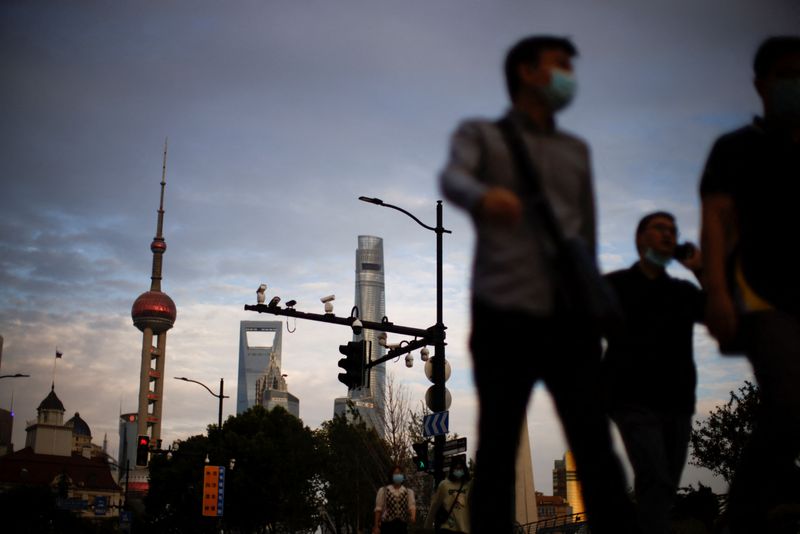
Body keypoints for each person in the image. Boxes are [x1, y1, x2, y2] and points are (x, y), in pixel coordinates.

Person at [440, 35, 636, 534]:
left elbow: (585, 237)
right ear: (527, 72)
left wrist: (595, 309)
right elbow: (453, 177)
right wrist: (483, 198)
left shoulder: (576, 151)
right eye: (560, 64)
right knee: (499, 446)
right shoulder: (482, 134)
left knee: (595, 447)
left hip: (569, 314)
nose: (570, 73)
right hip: (503, 310)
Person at [700, 36, 800, 532]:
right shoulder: (735, 149)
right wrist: (717, 292)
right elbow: (715, 220)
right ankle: (742, 517)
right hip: (763, 296)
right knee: (787, 397)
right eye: (786, 74)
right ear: (762, 84)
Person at [602, 211, 704, 534]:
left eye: (673, 230)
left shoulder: (683, 293)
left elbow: (721, 313)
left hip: (677, 404)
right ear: (639, 238)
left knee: (662, 487)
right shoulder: (614, 286)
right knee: (656, 479)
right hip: (630, 399)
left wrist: (699, 268)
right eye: (660, 228)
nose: (668, 235)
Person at [425, 456, 471, 533]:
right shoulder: (444, 485)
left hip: (464, 528)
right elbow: (435, 505)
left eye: (460, 468)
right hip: (448, 527)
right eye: (456, 468)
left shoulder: (469, 486)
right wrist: (428, 525)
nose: (458, 471)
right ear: (452, 469)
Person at [373, 466, 416, 534]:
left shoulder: (408, 492)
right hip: (387, 526)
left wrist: (413, 516)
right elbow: (378, 509)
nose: (398, 475)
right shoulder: (384, 491)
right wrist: (376, 526)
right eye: (396, 473)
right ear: (391, 476)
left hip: (402, 526)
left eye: (400, 473)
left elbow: (411, 506)